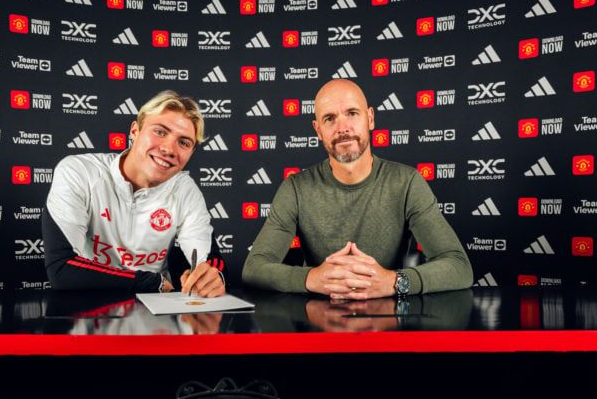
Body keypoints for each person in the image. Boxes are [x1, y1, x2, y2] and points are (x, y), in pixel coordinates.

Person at [242, 79, 472, 299]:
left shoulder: (407, 182)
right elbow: (254, 268)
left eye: (352, 113)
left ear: (370, 118)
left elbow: (459, 267)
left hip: (389, 322)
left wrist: (394, 281)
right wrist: (311, 278)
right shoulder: (296, 188)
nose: (342, 128)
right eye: (330, 118)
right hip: (316, 323)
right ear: (318, 130)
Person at [42, 90, 226, 297]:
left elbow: (207, 261)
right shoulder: (79, 171)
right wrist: (148, 282)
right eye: (160, 132)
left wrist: (212, 276)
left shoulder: (185, 189)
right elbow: (62, 268)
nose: (169, 148)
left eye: (183, 143)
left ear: (190, 154)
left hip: (157, 316)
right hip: (91, 309)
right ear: (135, 131)